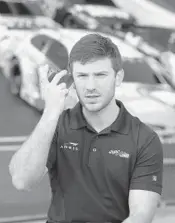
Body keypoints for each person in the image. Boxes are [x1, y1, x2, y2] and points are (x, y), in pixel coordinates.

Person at [9, 33, 163, 223]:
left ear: (118, 77)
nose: (90, 86)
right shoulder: (58, 125)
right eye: (82, 76)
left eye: (100, 75)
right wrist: (50, 112)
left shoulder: (144, 139)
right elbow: (22, 180)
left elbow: (141, 215)